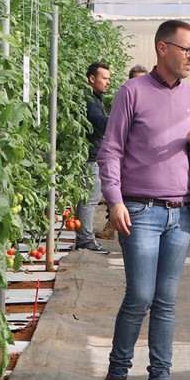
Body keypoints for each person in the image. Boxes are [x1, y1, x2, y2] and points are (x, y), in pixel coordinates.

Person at [96, 20, 190, 380]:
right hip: (140, 210)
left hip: (181, 213)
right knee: (140, 296)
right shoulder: (132, 92)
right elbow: (111, 150)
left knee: (166, 300)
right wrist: (115, 201)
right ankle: (116, 379)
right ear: (163, 48)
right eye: (187, 50)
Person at [74, 62, 112, 255]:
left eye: (108, 78)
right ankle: (85, 239)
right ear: (92, 78)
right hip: (89, 158)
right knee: (90, 198)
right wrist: (119, 121)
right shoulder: (89, 99)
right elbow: (97, 120)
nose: (108, 82)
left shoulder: (94, 98)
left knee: (88, 198)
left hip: (90, 155)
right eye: (104, 78)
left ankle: (83, 237)